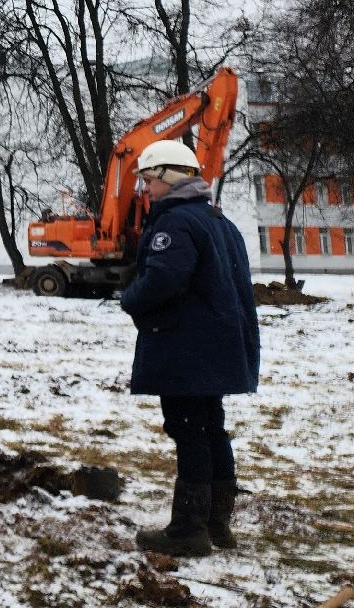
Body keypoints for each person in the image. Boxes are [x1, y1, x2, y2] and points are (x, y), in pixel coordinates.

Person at [119, 138, 259, 557]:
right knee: (210, 429)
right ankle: (218, 524)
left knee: (190, 431)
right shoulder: (220, 222)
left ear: (168, 177)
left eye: (147, 180)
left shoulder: (174, 224)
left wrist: (130, 297)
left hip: (185, 347)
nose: (145, 190)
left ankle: (188, 529)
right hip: (216, 346)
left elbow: (163, 281)